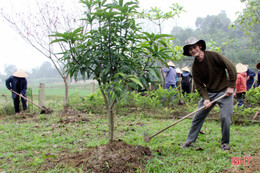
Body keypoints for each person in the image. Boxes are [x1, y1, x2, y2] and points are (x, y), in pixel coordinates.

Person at [181, 37, 237, 151]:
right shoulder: (195, 67)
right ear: (189, 52)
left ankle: (225, 143)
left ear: (200, 46)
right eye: (190, 49)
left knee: (225, 118)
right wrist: (206, 99)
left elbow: (231, 67)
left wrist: (231, 86)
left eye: (194, 47)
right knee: (197, 117)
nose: (193, 50)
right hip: (210, 93)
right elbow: (199, 86)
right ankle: (190, 140)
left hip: (225, 92)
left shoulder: (214, 55)